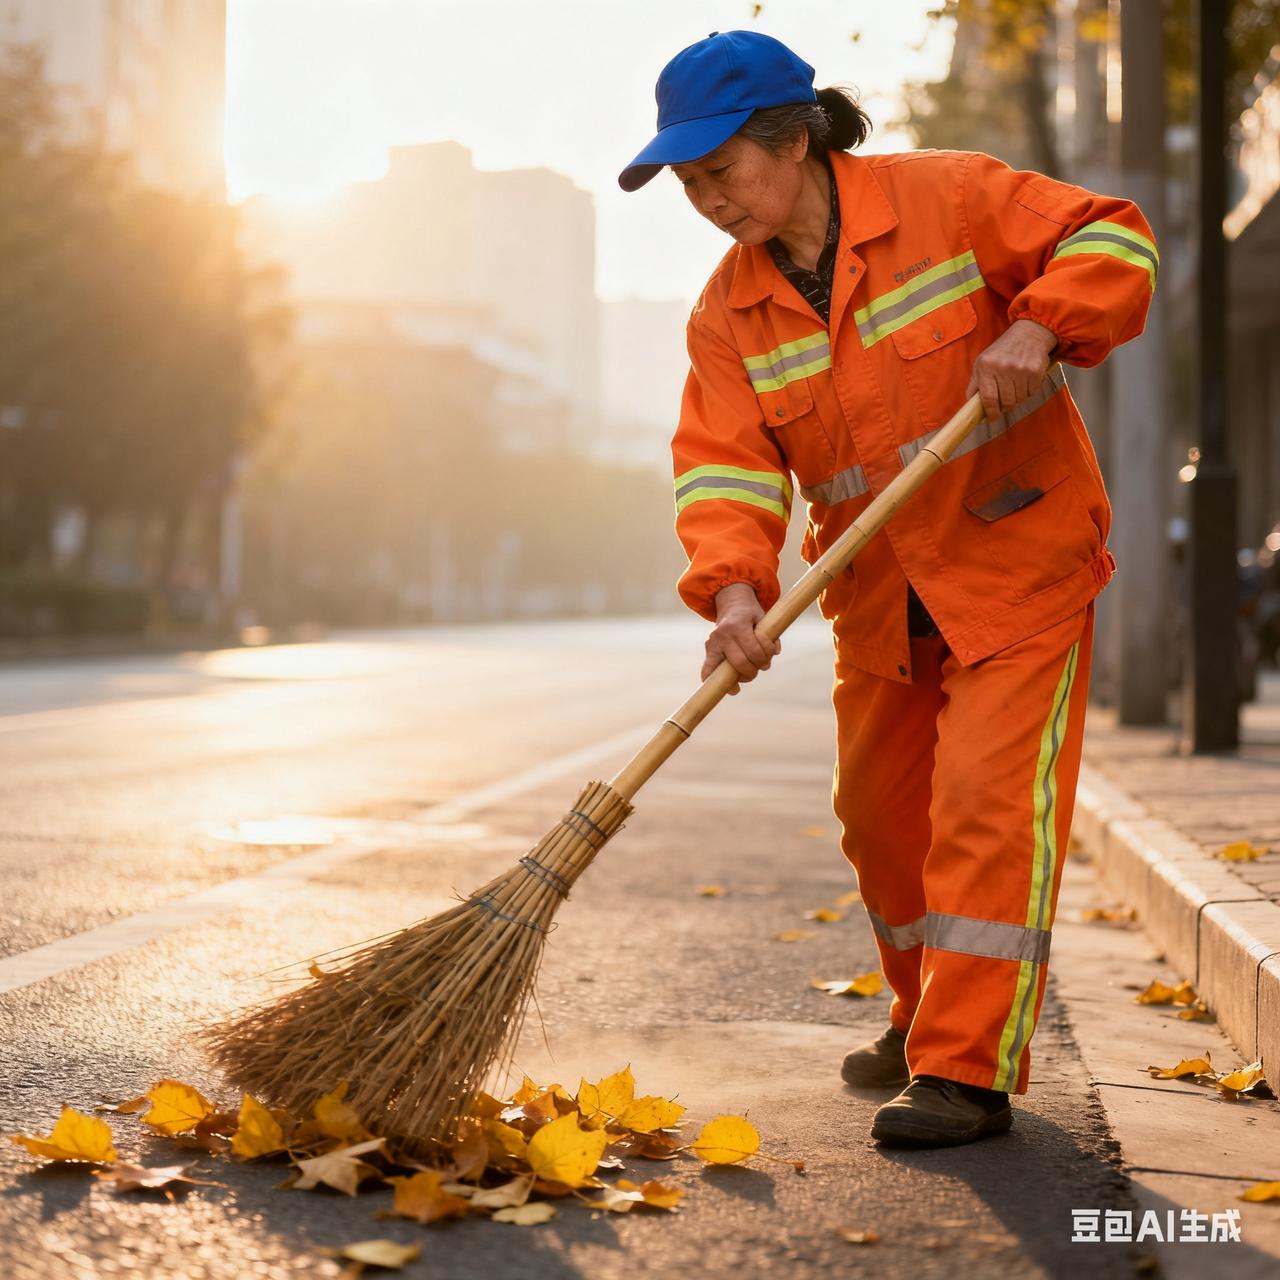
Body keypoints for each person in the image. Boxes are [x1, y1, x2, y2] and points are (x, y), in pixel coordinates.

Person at [619, 30, 1157, 1148]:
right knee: (879, 825)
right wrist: (732, 591)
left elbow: (1114, 237)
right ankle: (922, 1017)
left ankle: (965, 1068)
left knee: (983, 811)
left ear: (795, 138)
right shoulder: (726, 314)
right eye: (687, 184)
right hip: (877, 600)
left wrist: (1035, 323)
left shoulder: (946, 198)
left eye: (720, 170)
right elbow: (721, 466)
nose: (708, 200)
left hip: (1016, 567)